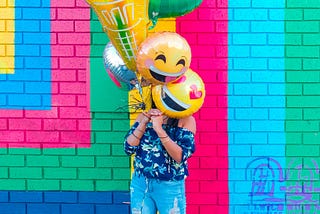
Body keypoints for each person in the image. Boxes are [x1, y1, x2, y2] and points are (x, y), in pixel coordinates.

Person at [124, 107, 196, 214]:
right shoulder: (144, 117)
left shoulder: (185, 120)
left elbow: (180, 156)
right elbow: (128, 149)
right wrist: (143, 123)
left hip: (170, 184)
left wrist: (159, 129)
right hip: (141, 183)